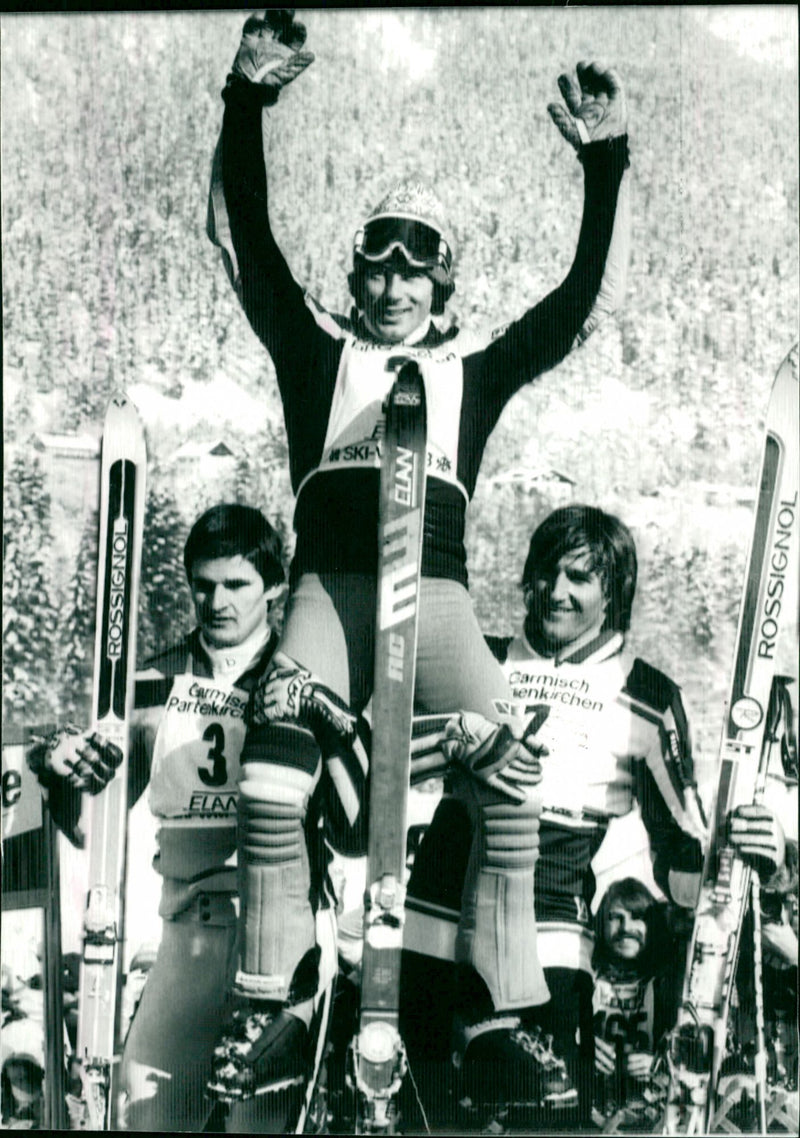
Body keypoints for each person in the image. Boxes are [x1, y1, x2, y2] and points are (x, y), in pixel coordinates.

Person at [206, 8, 631, 1103]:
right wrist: (246, 97)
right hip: (328, 597)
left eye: (415, 273)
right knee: (266, 780)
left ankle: (501, 1017)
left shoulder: (470, 376)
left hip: (434, 601)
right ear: (357, 280)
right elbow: (249, 237)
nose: (392, 287)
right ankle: (281, 1007)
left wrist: (603, 166)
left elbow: (571, 308)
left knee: (510, 784)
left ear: (442, 290)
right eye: (376, 269)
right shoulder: (316, 354)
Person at [402, 505, 709, 1127]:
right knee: (425, 1116)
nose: (556, 591)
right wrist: (455, 737)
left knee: (541, 1117)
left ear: (612, 593)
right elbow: (390, 762)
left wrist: (734, 858)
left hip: (546, 933)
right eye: (545, 571)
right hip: (436, 911)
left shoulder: (646, 694)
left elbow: (681, 849)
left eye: (578, 577)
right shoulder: (480, 658)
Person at [28, 504, 328, 1132]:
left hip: (276, 949)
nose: (216, 601)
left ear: (273, 587)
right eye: (203, 585)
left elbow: (353, 831)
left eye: (236, 585)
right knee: (142, 1116)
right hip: (187, 940)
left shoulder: (295, 679)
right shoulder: (152, 684)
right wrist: (59, 770)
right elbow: (90, 829)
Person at [591, 878, 678, 1130]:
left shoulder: (667, 984)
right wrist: (581, 1049)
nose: (625, 927)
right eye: (615, 917)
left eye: (636, 916)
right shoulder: (583, 977)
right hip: (593, 1111)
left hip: (651, 1117)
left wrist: (658, 1063)